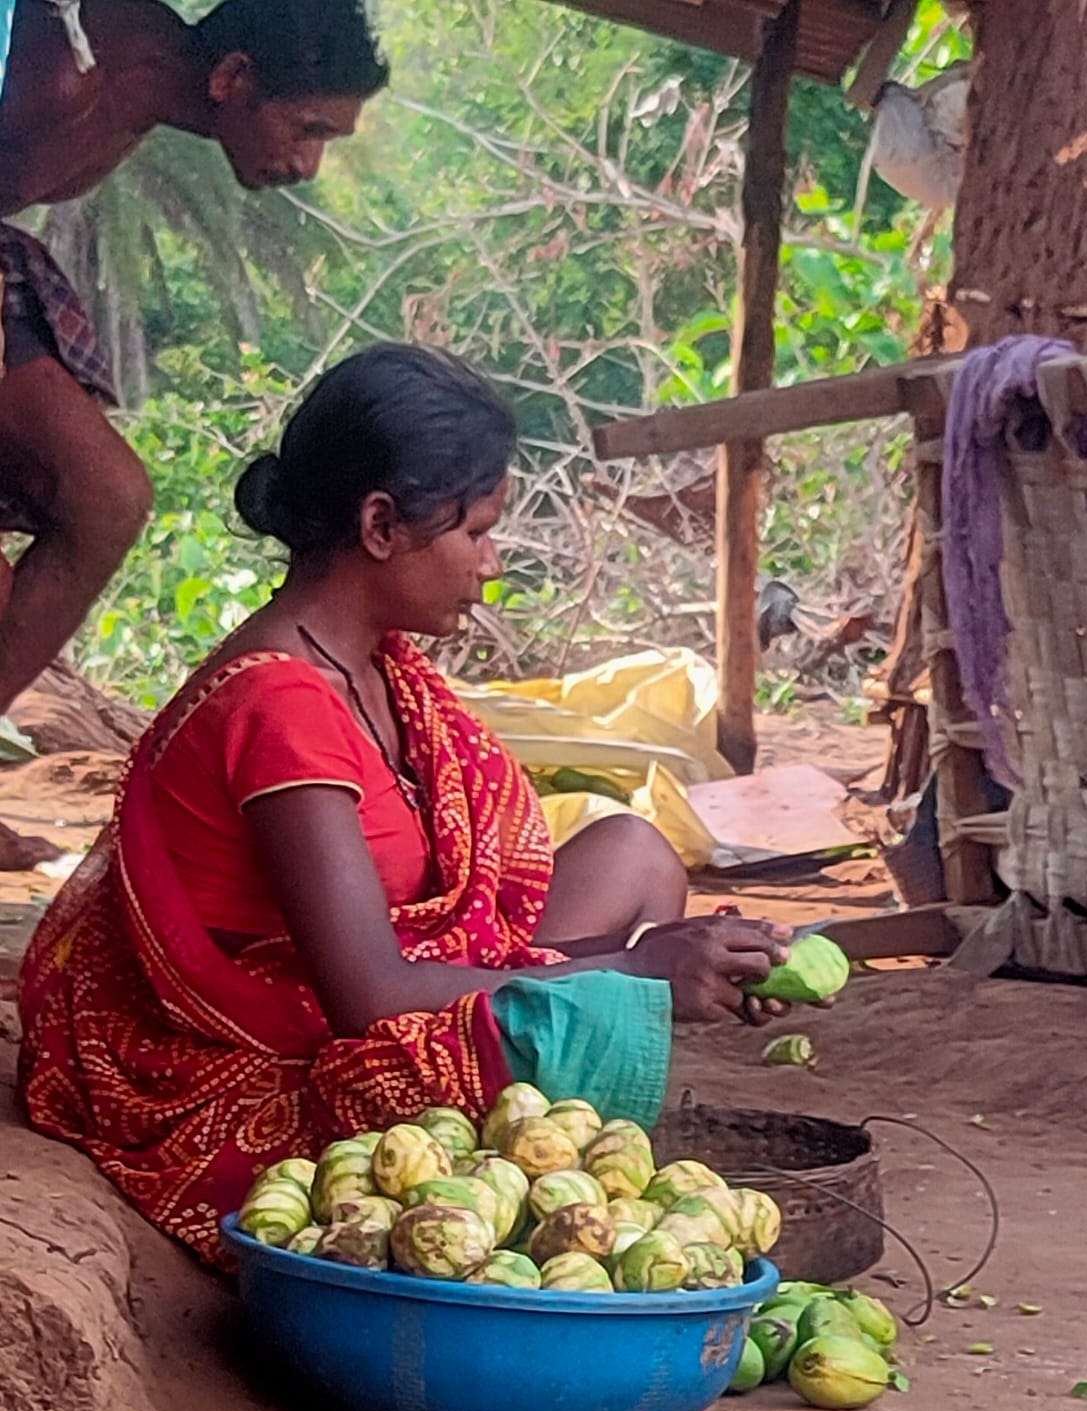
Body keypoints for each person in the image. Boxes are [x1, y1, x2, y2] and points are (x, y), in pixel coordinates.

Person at [18, 343, 795, 1268]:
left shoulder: (375, 667)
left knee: (634, 852)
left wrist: (643, 967)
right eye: (475, 533)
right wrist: (630, 973)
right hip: (268, 1048)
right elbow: (371, 996)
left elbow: (443, 926)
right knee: (602, 998)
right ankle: (549, 1149)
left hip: (383, 972)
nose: (492, 564)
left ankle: (575, 1104)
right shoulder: (277, 705)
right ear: (382, 524)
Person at [0, 0, 389, 714]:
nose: (309, 165)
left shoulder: (135, 92)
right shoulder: (71, 75)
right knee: (65, 530)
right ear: (233, 76)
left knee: (104, 500)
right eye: (308, 129)